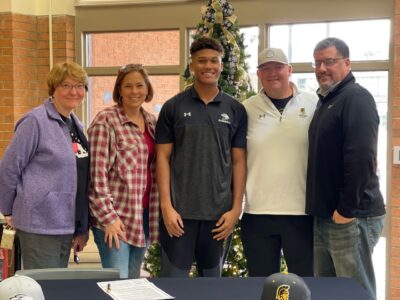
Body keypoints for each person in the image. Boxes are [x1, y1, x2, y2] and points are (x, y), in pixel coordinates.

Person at [155, 36, 247, 277]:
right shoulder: (172, 107)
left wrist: (236, 208)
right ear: (192, 65)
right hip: (179, 216)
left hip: (219, 218)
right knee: (173, 287)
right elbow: (162, 158)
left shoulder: (235, 109)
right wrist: (166, 206)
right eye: (202, 61)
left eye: (214, 61)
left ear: (222, 64)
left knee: (211, 290)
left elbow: (238, 161)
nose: (208, 66)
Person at [306, 37, 386, 299]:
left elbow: (362, 158)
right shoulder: (328, 100)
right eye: (317, 63)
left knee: (353, 294)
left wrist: (346, 210)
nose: (321, 69)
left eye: (329, 61)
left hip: (351, 217)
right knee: (328, 293)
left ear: (347, 63)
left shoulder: (356, 98)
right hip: (327, 216)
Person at [0, 62, 90, 269]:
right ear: (53, 88)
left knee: (56, 287)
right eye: (66, 85)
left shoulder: (75, 124)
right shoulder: (35, 121)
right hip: (39, 222)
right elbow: (9, 168)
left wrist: (80, 225)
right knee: (44, 287)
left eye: (79, 86)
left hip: (65, 222)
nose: (73, 91)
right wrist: (8, 210)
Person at [241, 48, 317, 277]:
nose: (272, 73)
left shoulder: (314, 104)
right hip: (258, 213)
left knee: (306, 285)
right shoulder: (246, 109)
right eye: (265, 68)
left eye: (278, 67)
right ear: (258, 74)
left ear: (290, 70)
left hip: (303, 213)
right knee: (261, 285)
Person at [88, 63, 159, 279]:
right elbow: (96, 176)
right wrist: (109, 218)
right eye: (128, 86)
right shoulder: (106, 120)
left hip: (144, 216)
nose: (134, 91)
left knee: (134, 280)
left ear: (147, 89)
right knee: (118, 282)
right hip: (116, 218)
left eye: (139, 85)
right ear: (119, 90)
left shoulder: (152, 122)